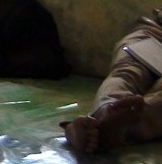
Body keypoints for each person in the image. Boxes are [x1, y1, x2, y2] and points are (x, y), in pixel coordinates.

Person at [61, 10, 162, 153]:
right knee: (127, 70)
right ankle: (108, 115)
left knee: (126, 74)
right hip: (155, 32)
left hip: (154, 32)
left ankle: (101, 123)